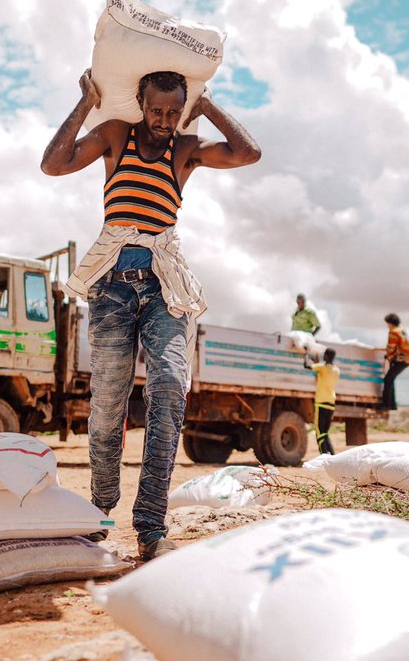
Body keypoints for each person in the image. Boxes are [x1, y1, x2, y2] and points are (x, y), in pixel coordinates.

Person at [42, 68, 260, 561]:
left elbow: (248, 153)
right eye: (156, 109)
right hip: (113, 289)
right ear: (140, 104)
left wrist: (206, 108)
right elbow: (54, 165)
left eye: (173, 111)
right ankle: (97, 515)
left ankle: (150, 528)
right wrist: (85, 102)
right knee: (107, 408)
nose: (164, 120)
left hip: (167, 288)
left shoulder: (184, 149)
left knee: (168, 387)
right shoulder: (115, 137)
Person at [305, 347, 340, 454]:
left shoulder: (322, 367)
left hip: (321, 403)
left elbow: (307, 366)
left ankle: (323, 455)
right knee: (325, 432)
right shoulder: (336, 370)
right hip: (331, 403)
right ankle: (332, 455)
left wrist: (306, 353)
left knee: (319, 432)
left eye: (324, 355)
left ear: (327, 356)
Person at [381, 312, 409, 411]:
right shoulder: (402, 330)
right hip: (408, 358)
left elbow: (391, 348)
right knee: (391, 379)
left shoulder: (393, 332)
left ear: (390, 323)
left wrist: (387, 355)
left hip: (401, 358)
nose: (387, 326)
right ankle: (392, 405)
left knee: (388, 379)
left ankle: (386, 404)